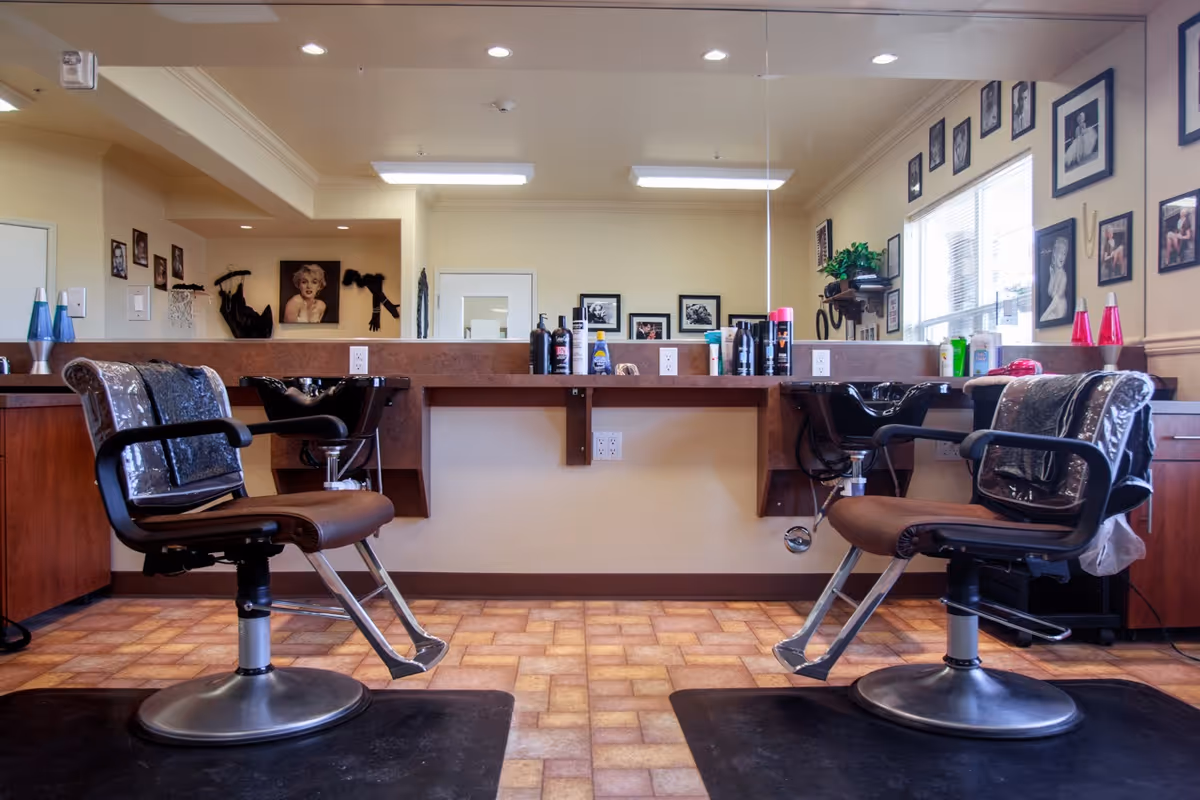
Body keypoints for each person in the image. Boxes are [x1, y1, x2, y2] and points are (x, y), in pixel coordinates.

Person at [1040, 236, 1069, 324]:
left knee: (1045, 318)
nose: (1062, 257)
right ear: (1055, 254)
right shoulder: (1055, 272)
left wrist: (1045, 315)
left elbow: (1056, 298)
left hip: (1060, 310)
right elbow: (1050, 292)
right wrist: (1052, 275)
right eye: (1060, 253)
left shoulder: (1063, 275)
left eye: (1064, 254)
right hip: (1054, 309)